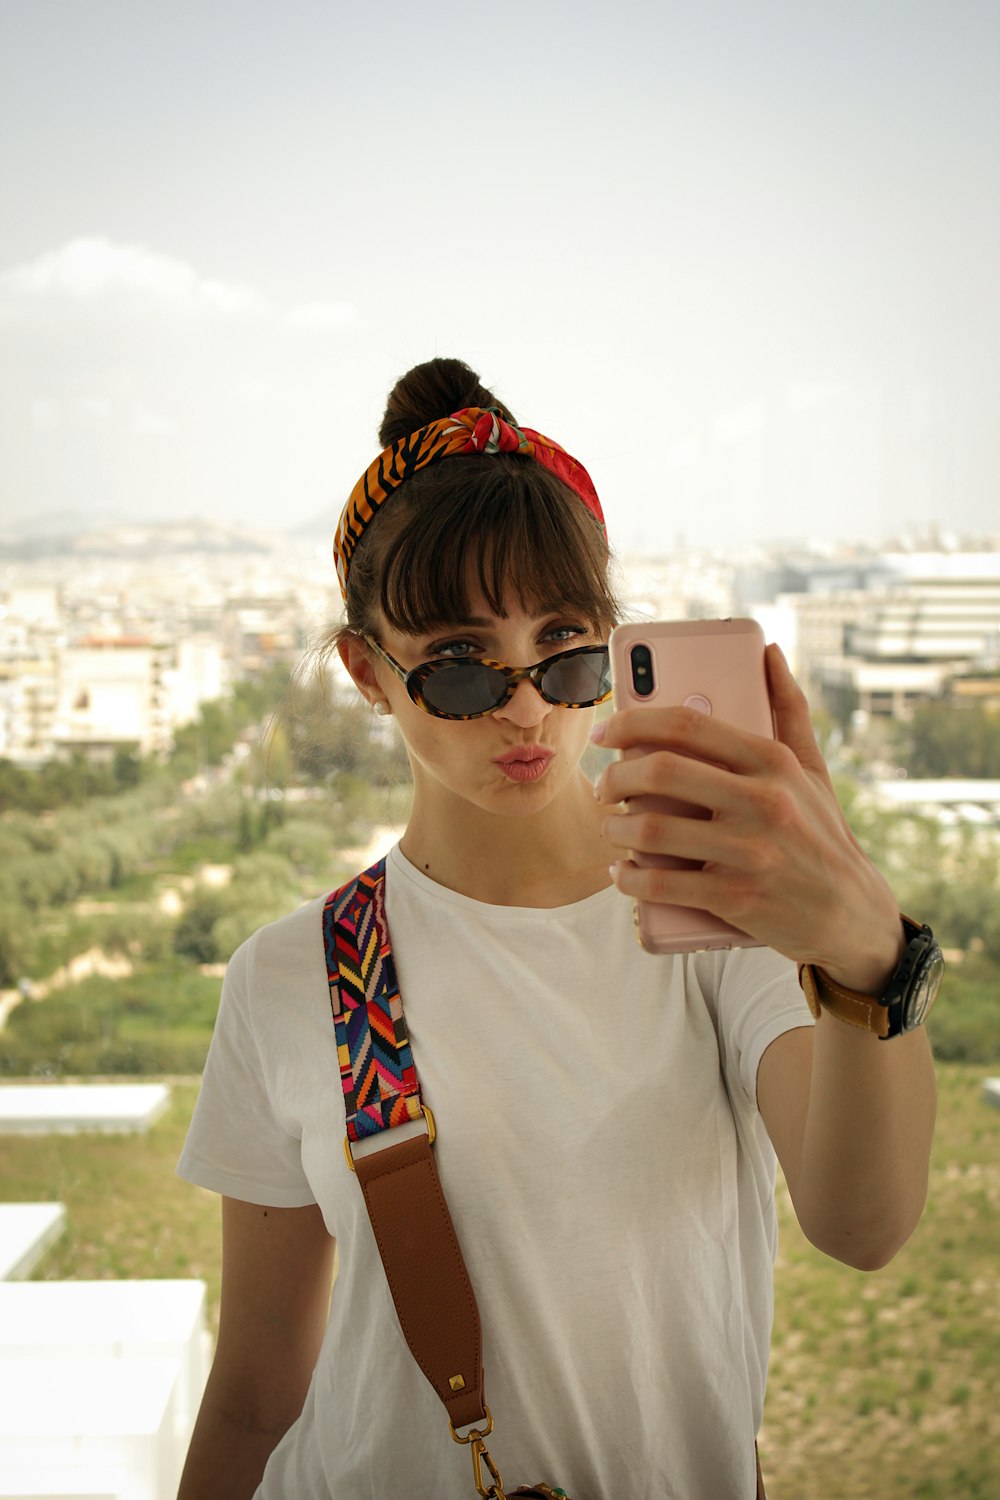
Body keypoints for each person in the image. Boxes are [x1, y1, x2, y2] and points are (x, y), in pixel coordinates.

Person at [176, 357, 938, 1500]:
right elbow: (251, 1398)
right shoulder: (293, 979)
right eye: (459, 669)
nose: (527, 706)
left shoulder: (715, 919)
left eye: (567, 651)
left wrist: (866, 949)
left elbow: (864, 1223)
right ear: (367, 673)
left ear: (616, 642)